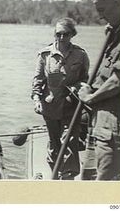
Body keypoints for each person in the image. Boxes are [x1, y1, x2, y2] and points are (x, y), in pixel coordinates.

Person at [78, 0, 120, 181]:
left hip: (115, 127)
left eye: (103, 9)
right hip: (102, 123)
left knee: (106, 184)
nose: (100, 16)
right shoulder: (116, 34)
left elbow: (119, 80)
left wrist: (90, 97)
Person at [31, 17, 90, 180]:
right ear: (54, 34)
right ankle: (54, 173)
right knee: (54, 141)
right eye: (58, 34)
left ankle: (68, 177)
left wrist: (78, 88)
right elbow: (38, 80)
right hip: (50, 105)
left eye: (66, 34)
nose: (61, 38)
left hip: (71, 105)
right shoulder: (45, 55)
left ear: (72, 34)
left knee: (69, 140)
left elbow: (85, 79)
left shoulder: (81, 54)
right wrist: (36, 99)